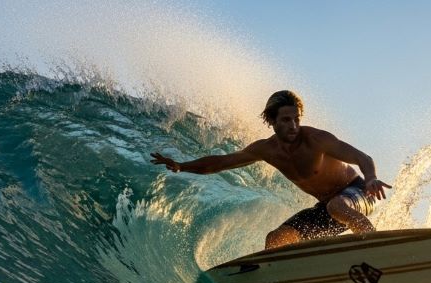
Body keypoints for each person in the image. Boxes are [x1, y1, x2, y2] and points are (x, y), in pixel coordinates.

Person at [151, 90, 393, 249]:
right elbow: (219, 163)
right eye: (286, 120)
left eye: (296, 119)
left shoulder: (316, 140)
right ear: (272, 121)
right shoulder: (266, 150)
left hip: (359, 194)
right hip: (330, 208)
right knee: (275, 239)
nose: (294, 125)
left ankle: (374, 249)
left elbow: (361, 157)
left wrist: (371, 178)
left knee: (336, 205)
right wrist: (181, 166)